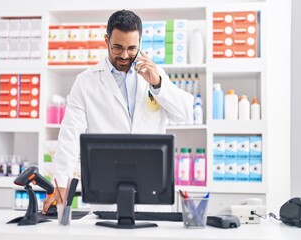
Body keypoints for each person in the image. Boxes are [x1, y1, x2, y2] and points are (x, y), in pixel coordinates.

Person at [43, 9, 194, 213]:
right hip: (105, 191)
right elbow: (70, 135)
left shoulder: (155, 75)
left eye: (132, 48)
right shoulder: (86, 81)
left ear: (140, 42)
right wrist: (61, 183)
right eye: (117, 47)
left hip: (151, 189)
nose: (124, 55)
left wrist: (157, 84)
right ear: (106, 41)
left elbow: (184, 114)